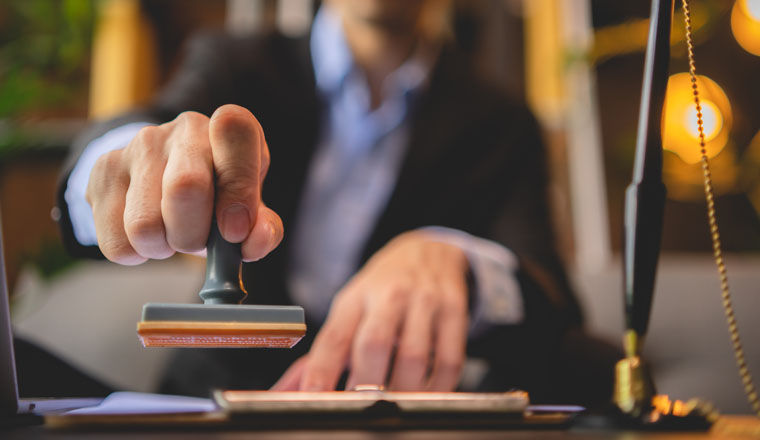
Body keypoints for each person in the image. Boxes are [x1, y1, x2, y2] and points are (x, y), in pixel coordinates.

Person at [56, 0, 617, 404]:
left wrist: (458, 261)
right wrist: (120, 165)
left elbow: (552, 301)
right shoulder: (233, 63)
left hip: (391, 414)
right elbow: (144, 130)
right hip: (214, 401)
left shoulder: (503, 122)